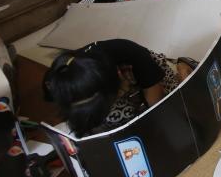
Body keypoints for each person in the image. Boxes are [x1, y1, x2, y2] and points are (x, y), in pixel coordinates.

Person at [42, 39, 196, 136]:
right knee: (111, 123)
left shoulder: (131, 54)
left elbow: (158, 109)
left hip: (144, 73)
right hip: (110, 87)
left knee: (175, 104)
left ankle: (182, 66)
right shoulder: (56, 81)